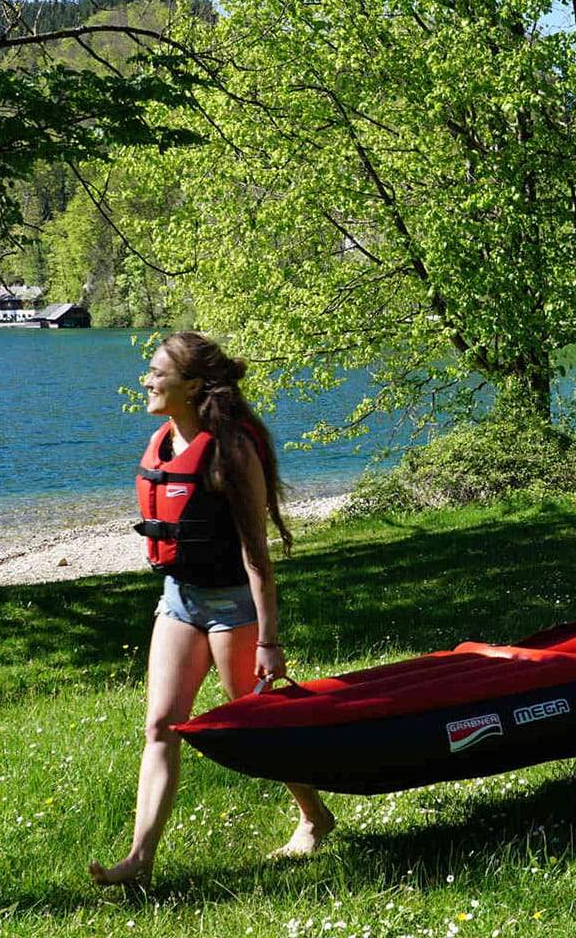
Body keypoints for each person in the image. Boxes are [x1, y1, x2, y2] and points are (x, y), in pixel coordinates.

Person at [90, 332, 334, 889]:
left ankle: (314, 816)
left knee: (252, 724)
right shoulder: (164, 443)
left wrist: (269, 638)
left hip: (232, 604)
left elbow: (256, 551)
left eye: (157, 372)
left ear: (193, 385)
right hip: (179, 597)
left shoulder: (232, 450)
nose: (147, 381)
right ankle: (139, 861)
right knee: (160, 724)